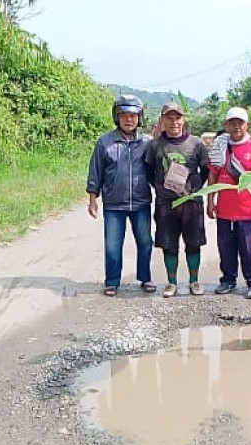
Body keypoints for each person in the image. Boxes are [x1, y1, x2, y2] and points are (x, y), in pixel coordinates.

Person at [86, 94, 155, 297]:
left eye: (133, 116)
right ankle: (112, 281)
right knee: (113, 244)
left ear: (139, 118)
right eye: (123, 115)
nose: (128, 119)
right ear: (117, 117)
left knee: (145, 241)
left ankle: (145, 277)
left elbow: (156, 171)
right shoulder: (105, 142)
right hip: (113, 204)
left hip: (141, 202)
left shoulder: (147, 143)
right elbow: (95, 171)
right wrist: (92, 198)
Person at [144, 102, 210, 298]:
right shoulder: (155, 145)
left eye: (177, 118)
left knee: (193, 242)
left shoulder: (196, 144)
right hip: (166, 203)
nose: (174, 122)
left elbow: (206, 169)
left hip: (191, 202)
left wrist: (194, 188)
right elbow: (148, 171)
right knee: (168, 244)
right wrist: (161, 188)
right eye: (169, 118)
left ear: (183, 119)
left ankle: (194, 281)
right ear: (162, 120)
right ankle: (171, 282)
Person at [207, 107, 251, 299]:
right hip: (225, 210)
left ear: (246, 125)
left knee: (250, 249)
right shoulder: (220, 147)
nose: (236, 127)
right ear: (225, 125)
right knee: (225, 247)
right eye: (232, 123)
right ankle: (228, 279)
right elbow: (213, 174)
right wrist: (210, 201)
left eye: (240, 123)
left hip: (248, 210)